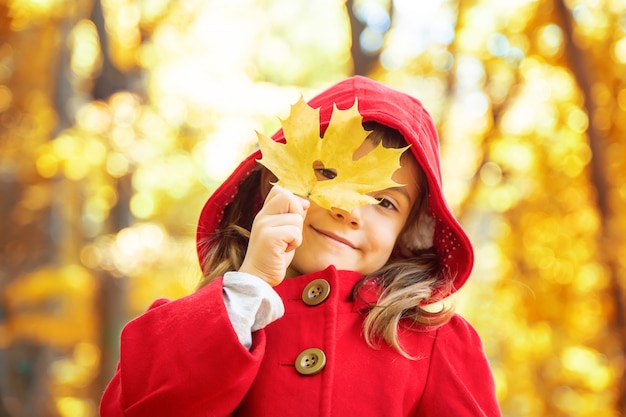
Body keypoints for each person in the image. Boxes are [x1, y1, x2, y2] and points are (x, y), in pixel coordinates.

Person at [100, 76, 501, 416]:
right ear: (274, 182)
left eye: (384, 202)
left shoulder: (435, 342)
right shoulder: (206, 321)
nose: (350, 210)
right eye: (328, 173)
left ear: (409, 238)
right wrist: (249, 286)